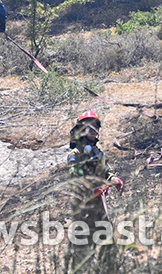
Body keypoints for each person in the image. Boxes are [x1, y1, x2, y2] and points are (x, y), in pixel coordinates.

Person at [67, 110, 123, 267]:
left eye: (95, 127)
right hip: (83, 206)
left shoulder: (98, 153)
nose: (93, 130)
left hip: (99, 205)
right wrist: (92, 190)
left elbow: (107, 171)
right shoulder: (75, 155)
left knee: (107, 240)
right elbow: (76, 180)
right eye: (89, 126)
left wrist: (113, 179)